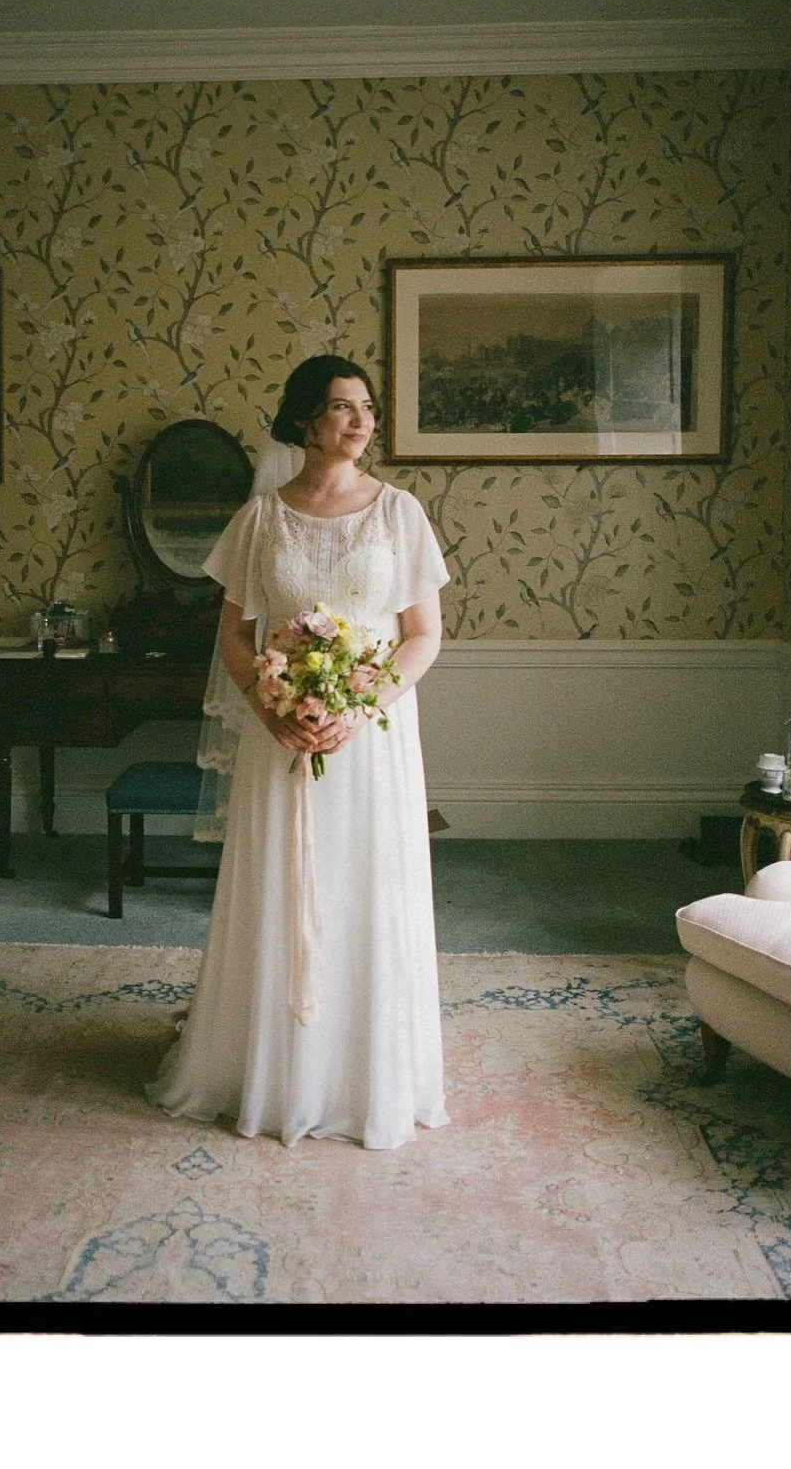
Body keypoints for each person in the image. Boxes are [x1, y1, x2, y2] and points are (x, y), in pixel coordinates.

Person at [145, 355, 451, 1150]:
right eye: (341, 408)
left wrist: (359, 705)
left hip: (371, 737)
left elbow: (423, 637)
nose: (359, 423)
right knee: (285, 885)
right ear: (304, 421)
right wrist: (272, 707)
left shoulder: (400, 514)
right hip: (279, 734)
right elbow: (234, 637)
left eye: (367, 409)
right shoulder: (261, 519)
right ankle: (272, 1067)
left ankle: (365, 1074)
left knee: (364, 884)